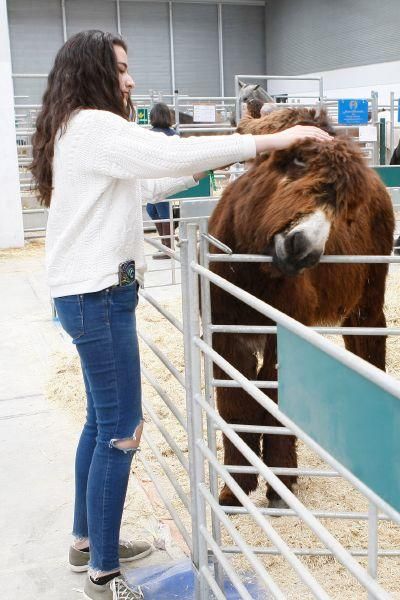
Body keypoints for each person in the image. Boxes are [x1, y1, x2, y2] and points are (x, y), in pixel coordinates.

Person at [30, 30, 331, 600]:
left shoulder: (79, 131)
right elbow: (169, 153)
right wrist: (266, 141)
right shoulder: (94, 127)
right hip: (99, 299)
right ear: (95, 72)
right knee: (122, 432)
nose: (131, 79)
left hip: (90, 296)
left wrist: (207, 173)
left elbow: (150, 180)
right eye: (121, 69)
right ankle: (103, 575)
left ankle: (87, 541)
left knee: (100, 423)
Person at [145, 102, 179, 259]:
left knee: (161, 211)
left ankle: (168, 248)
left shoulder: (150, 135)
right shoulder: (174, 134)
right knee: (153, 210)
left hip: (158, 177)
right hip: (170, 176)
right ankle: (166, 244)